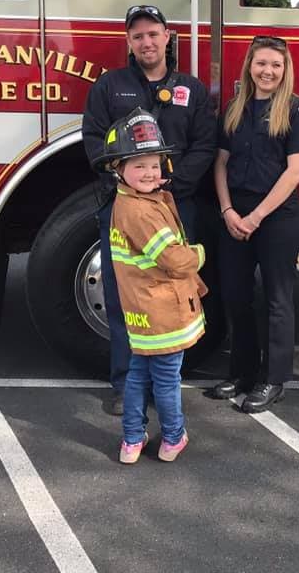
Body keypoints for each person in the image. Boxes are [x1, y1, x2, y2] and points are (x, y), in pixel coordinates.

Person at [82, 4, 216, 415]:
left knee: (174, 291)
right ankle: (125, 385)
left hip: (175, 208)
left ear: (168, 37)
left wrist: (171, 184)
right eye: (138, 35)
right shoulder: (109, 86)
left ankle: (167, 381)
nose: (147, 42)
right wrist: (126, 186)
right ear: (128, 42)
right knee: (125, 296)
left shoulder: (191, 90)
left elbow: (204, 145)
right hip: (122, 209)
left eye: (153, 34)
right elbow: (93, 140)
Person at [92, 109, 207, 463]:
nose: (149, 173)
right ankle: (173, 438)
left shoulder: (127, 203)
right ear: (118, 169)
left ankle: (131, 441)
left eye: (154, 165)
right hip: (163, 314)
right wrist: (198, 254)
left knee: (138, 376)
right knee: (167, 380)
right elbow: (172, 259)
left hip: (140, 315)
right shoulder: (142, 211)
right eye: (139, 166)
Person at [208, 36, 299, 413]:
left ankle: (274, 379)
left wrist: (255, 217)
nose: (268, 71)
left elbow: (295, 172)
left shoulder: (296, 111)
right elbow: (220, 162)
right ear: (249, 67)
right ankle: (242, 372)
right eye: (261, 64)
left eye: (276, 65)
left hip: (276, 217)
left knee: (277, 299)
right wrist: (227, 211)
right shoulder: (235, 109)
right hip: (235, 213)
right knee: (235, 295)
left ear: (285, 71)